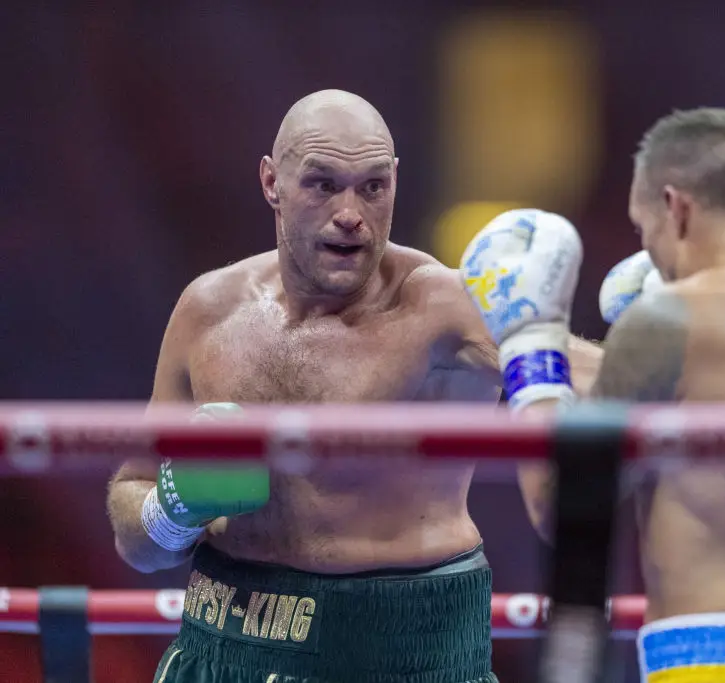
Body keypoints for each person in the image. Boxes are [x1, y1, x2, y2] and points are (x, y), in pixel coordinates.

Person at [105, 89, 602, 683]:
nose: (350, 212)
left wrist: (653, 332)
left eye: (372, 186)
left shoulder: (441, 305)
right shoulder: (207, 310)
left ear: (395, 181)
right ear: (271, 182)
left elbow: (610, 388)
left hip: (400, 651)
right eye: (322, 184)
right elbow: (136, 538)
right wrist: (172, 508)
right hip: (222, 644)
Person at [459, 107, 725, 682]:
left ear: (677, 207)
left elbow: (562, 505)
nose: (654, 254)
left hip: (714, 667)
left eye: (646, 231)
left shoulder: (671, 318)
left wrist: (529, 344)